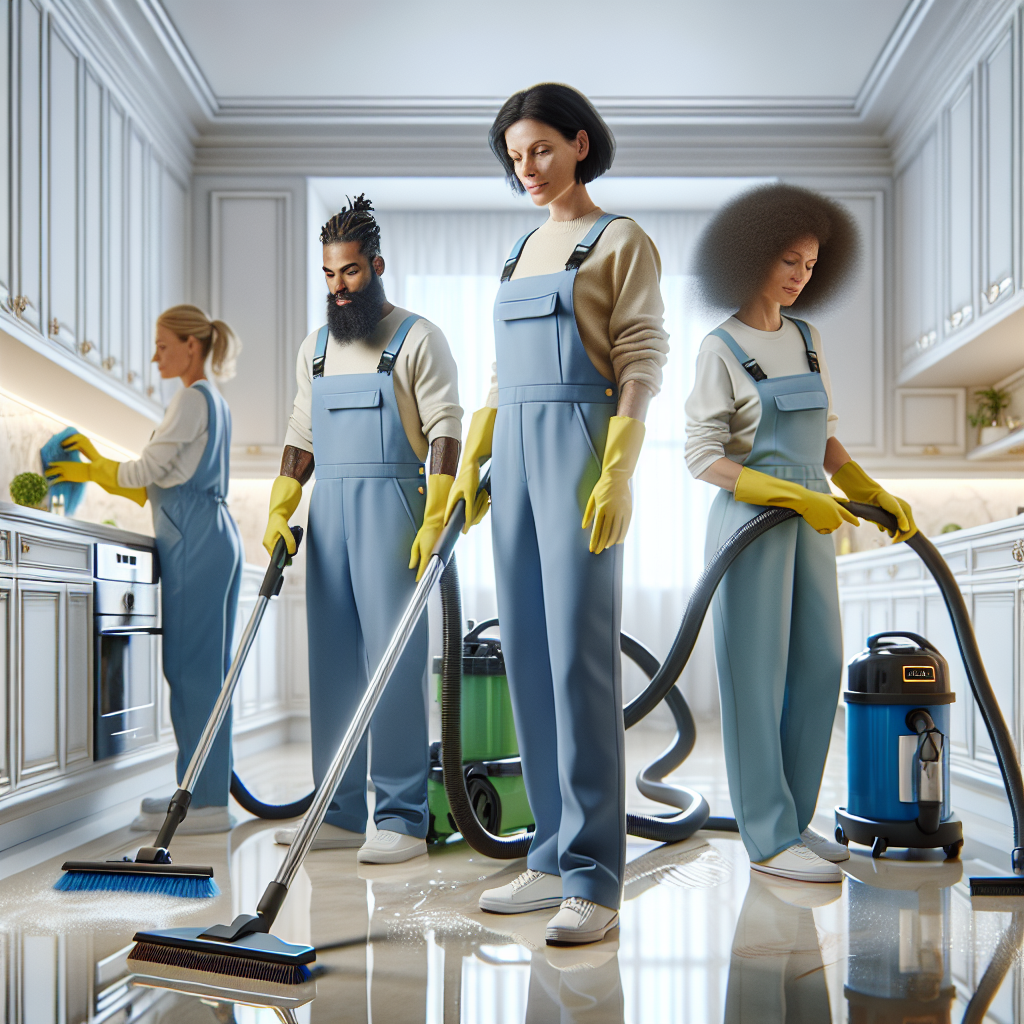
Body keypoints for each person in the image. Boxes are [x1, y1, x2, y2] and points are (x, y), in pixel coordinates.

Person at [446, 83, 668, 944]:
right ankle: (547, 853)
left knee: (579, 661)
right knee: (528, 657)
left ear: (579, 143)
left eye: (540, 149)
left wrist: (619, 467)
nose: (528, 168)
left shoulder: (620, 239)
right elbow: (501, 370)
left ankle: (594, 877)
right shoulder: (519, 250)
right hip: (513, 452)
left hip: (581, 445)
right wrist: (476, 457)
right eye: (515, 157)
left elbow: (640, 355)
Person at [685, 183, 917, 883]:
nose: (800, 276)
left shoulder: (807, 338)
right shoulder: (721, 347)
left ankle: (792, 820)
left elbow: (825, 435)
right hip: (751, 523)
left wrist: (867, 489)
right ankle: (766, 837)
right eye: (789, 260)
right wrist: (788, 494)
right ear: (752, 255)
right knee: (755, 678)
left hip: (814, 518)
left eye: (811, 265)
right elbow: (702, 457)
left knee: (819, 666)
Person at [266, 196, 462, 865]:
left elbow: (445, 427)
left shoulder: (418, 338)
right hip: (328, 515)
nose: (338, 287)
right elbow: (301, 433)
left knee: (394, 664)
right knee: (332, 666)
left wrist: (437, 514)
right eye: (329, 274)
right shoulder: (316, 348)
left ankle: (403, 816)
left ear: (376, 266)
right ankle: (338, 809)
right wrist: (281, 505)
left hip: (395, 509)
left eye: (349, 271)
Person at [47, 306, 245, 833]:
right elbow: (159, 482)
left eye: (162, 346)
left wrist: (95, 466)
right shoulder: (214, 402)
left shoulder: (190, 398)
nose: (155, 357)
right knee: (208, 673)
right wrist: (100, 469)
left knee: (189, 671)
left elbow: (148, 470)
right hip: (213, 534)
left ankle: (205, 803)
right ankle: (197, 789)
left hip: (194, 540)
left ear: (190, 346)